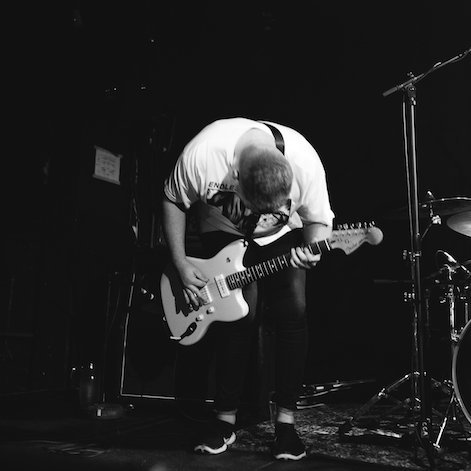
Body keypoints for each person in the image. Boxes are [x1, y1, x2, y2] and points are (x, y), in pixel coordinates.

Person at [162, 117, 334, 461]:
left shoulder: (305, 162)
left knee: (293, 313)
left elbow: (318, 221)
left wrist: (312, 249)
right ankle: (224, 420)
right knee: (238, 319)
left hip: (282, 236)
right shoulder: (203, 154)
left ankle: (286, 424)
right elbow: (172, 199)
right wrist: (180, 263)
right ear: (235, 176)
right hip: (222, 230)